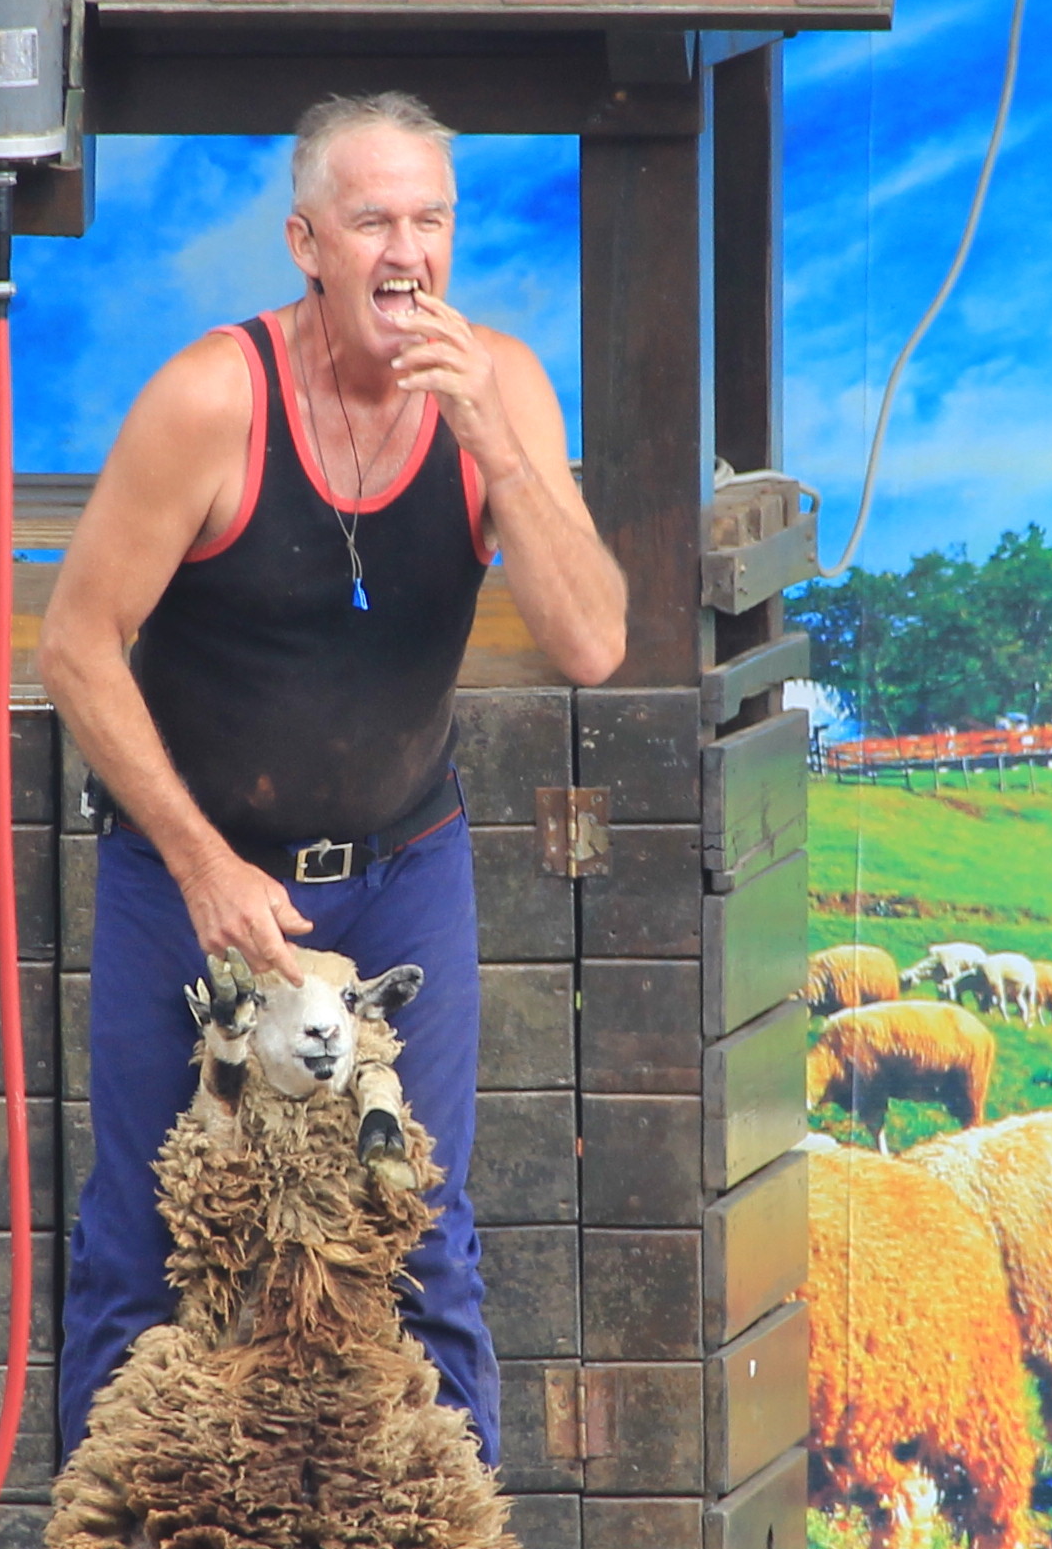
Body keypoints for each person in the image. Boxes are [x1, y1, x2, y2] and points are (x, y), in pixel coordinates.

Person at [38, 89, 631, 1462]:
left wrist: (492, 440)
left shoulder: (503, 384)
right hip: (192, 873)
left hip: (401, 868)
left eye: (430, 220)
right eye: (373, 221)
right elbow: (76, 648)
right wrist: (197, 862)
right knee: (143, 1239)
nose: (406, 252)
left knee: (422, 1235)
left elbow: (594, 639)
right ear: (308, 243)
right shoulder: (211, 399)